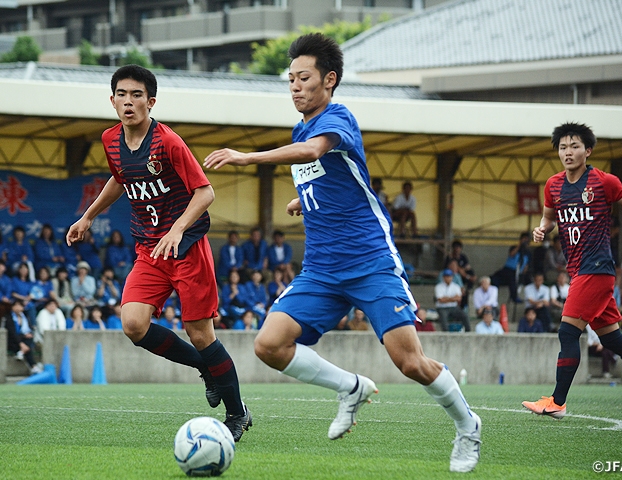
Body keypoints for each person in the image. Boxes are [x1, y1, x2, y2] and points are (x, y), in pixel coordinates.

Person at [203, 33, 480, 472]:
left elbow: (314, 151)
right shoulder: (302, 127)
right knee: (269, 344)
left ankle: (468, 427)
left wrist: (245, 157)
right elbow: (322, 172)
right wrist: (303, 200)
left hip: (370, 261)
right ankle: (350, 388)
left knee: (410, 362)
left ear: (328, 80)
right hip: (322, 268)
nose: (294, 86)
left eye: (304, 77)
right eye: (290, 79)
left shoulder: (338, 117)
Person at [66, 64, 251, 441]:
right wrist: (87, 216)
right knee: (133, 324)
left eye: (137, 95)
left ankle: (238, 414)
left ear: (151, 102)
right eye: (122, 94)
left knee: (200, 332)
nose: (129, 102)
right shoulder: (110, 140)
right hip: (149, 249)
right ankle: (205, 368)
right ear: (112, 99)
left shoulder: (168, 142)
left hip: (187, 248)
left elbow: (205, 192)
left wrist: (178, 229)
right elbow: (120, 179)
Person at [523, 122, 622, 419]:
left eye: (574, 146)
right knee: (612, 339)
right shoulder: (553, 185)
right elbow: (549, 217)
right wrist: (541, 229)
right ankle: (557, 401)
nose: (568, 152)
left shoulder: (603, 181)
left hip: (597, 268)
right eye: (563, 147)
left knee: (567, 332)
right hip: (578, 269)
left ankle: (558, 402)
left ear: (587, 151)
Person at [2, 299, 42, 374]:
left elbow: (29, 329)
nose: (18, 308)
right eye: (16, 305)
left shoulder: (25, 317)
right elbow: (12, 333)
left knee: (29, 338)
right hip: (13, 341)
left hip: (24, 340)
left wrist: (28, 334)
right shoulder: (8, 318)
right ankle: (33, 366)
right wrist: (21, 344)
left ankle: (22, 352)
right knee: (27, 346)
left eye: (20, 305)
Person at [444, 240, 476, 309]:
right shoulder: (450, 257)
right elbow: (451, 269)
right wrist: (460, 270)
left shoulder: (463, 257)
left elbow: (467, 267)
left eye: (458, 248)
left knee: (471, 274)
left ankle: (469, 288)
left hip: (462, 277)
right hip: (453, 277)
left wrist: (465, 272)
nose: (457, 249)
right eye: (455, 248)